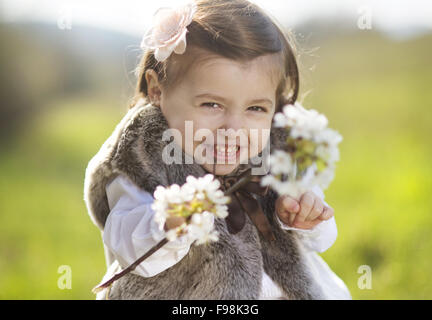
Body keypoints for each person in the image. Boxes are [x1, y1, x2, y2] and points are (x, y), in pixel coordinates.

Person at [84, 0, 351, 300]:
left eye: (255, 108)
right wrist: (168, 222)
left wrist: (304, 217)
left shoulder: (278, 150)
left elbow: (322, 240)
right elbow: (125, 243)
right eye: (212, 104)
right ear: (157, 90)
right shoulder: (143, 158)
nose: (233, 130)